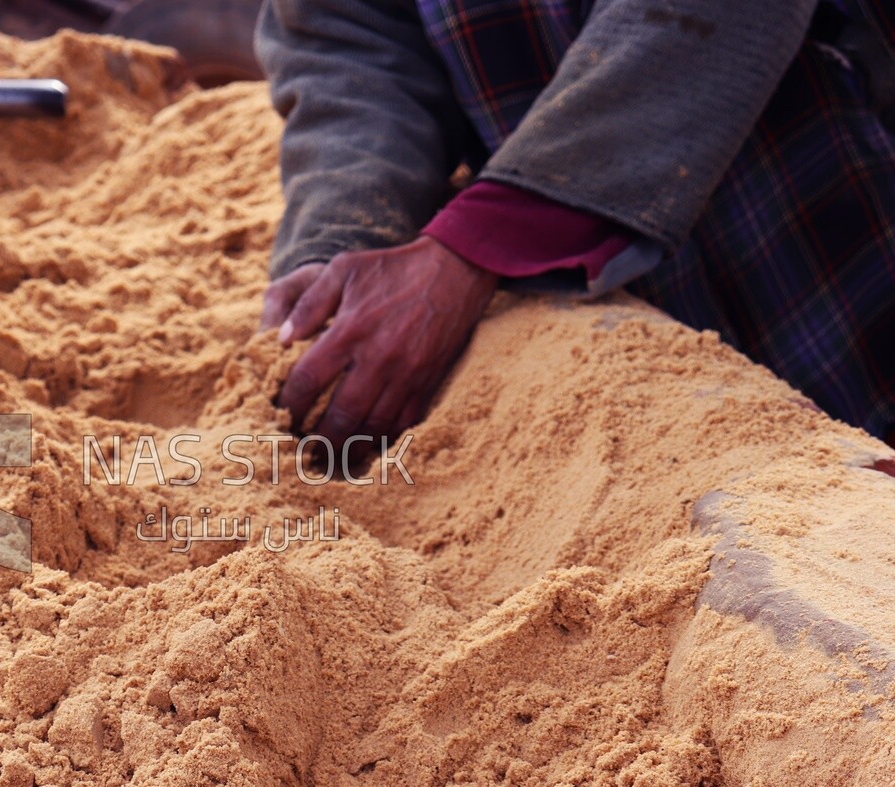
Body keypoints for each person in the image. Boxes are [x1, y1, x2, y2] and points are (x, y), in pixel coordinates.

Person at [256, 0, 895, 454]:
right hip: (623, 285)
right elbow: (349, 38)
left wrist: (469, 250)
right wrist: (345, 237)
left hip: (823, 213)